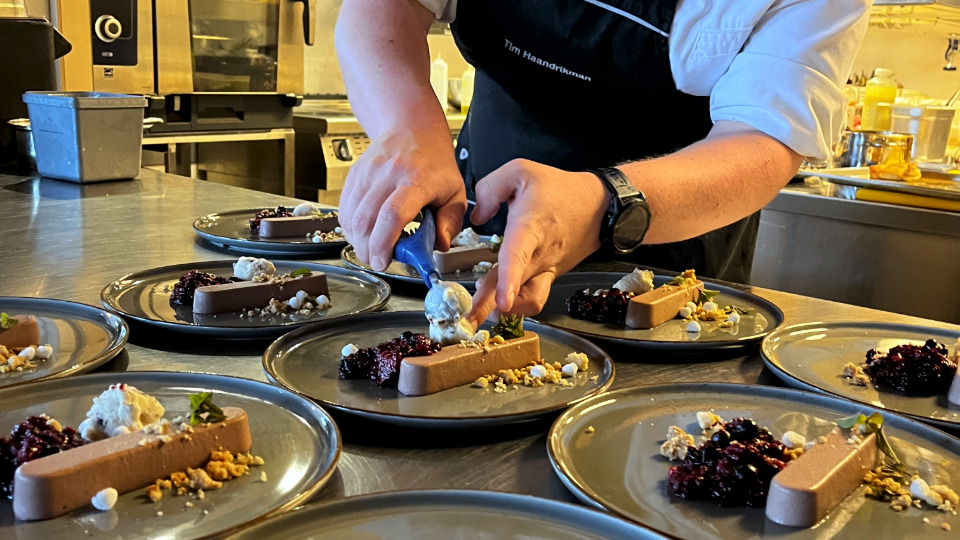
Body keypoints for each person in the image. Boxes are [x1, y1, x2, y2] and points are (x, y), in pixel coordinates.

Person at [334, 0, 870, 327]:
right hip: (478, 220)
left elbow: (765, 138)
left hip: (665, 256)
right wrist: (408, 126)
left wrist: (606, 204)